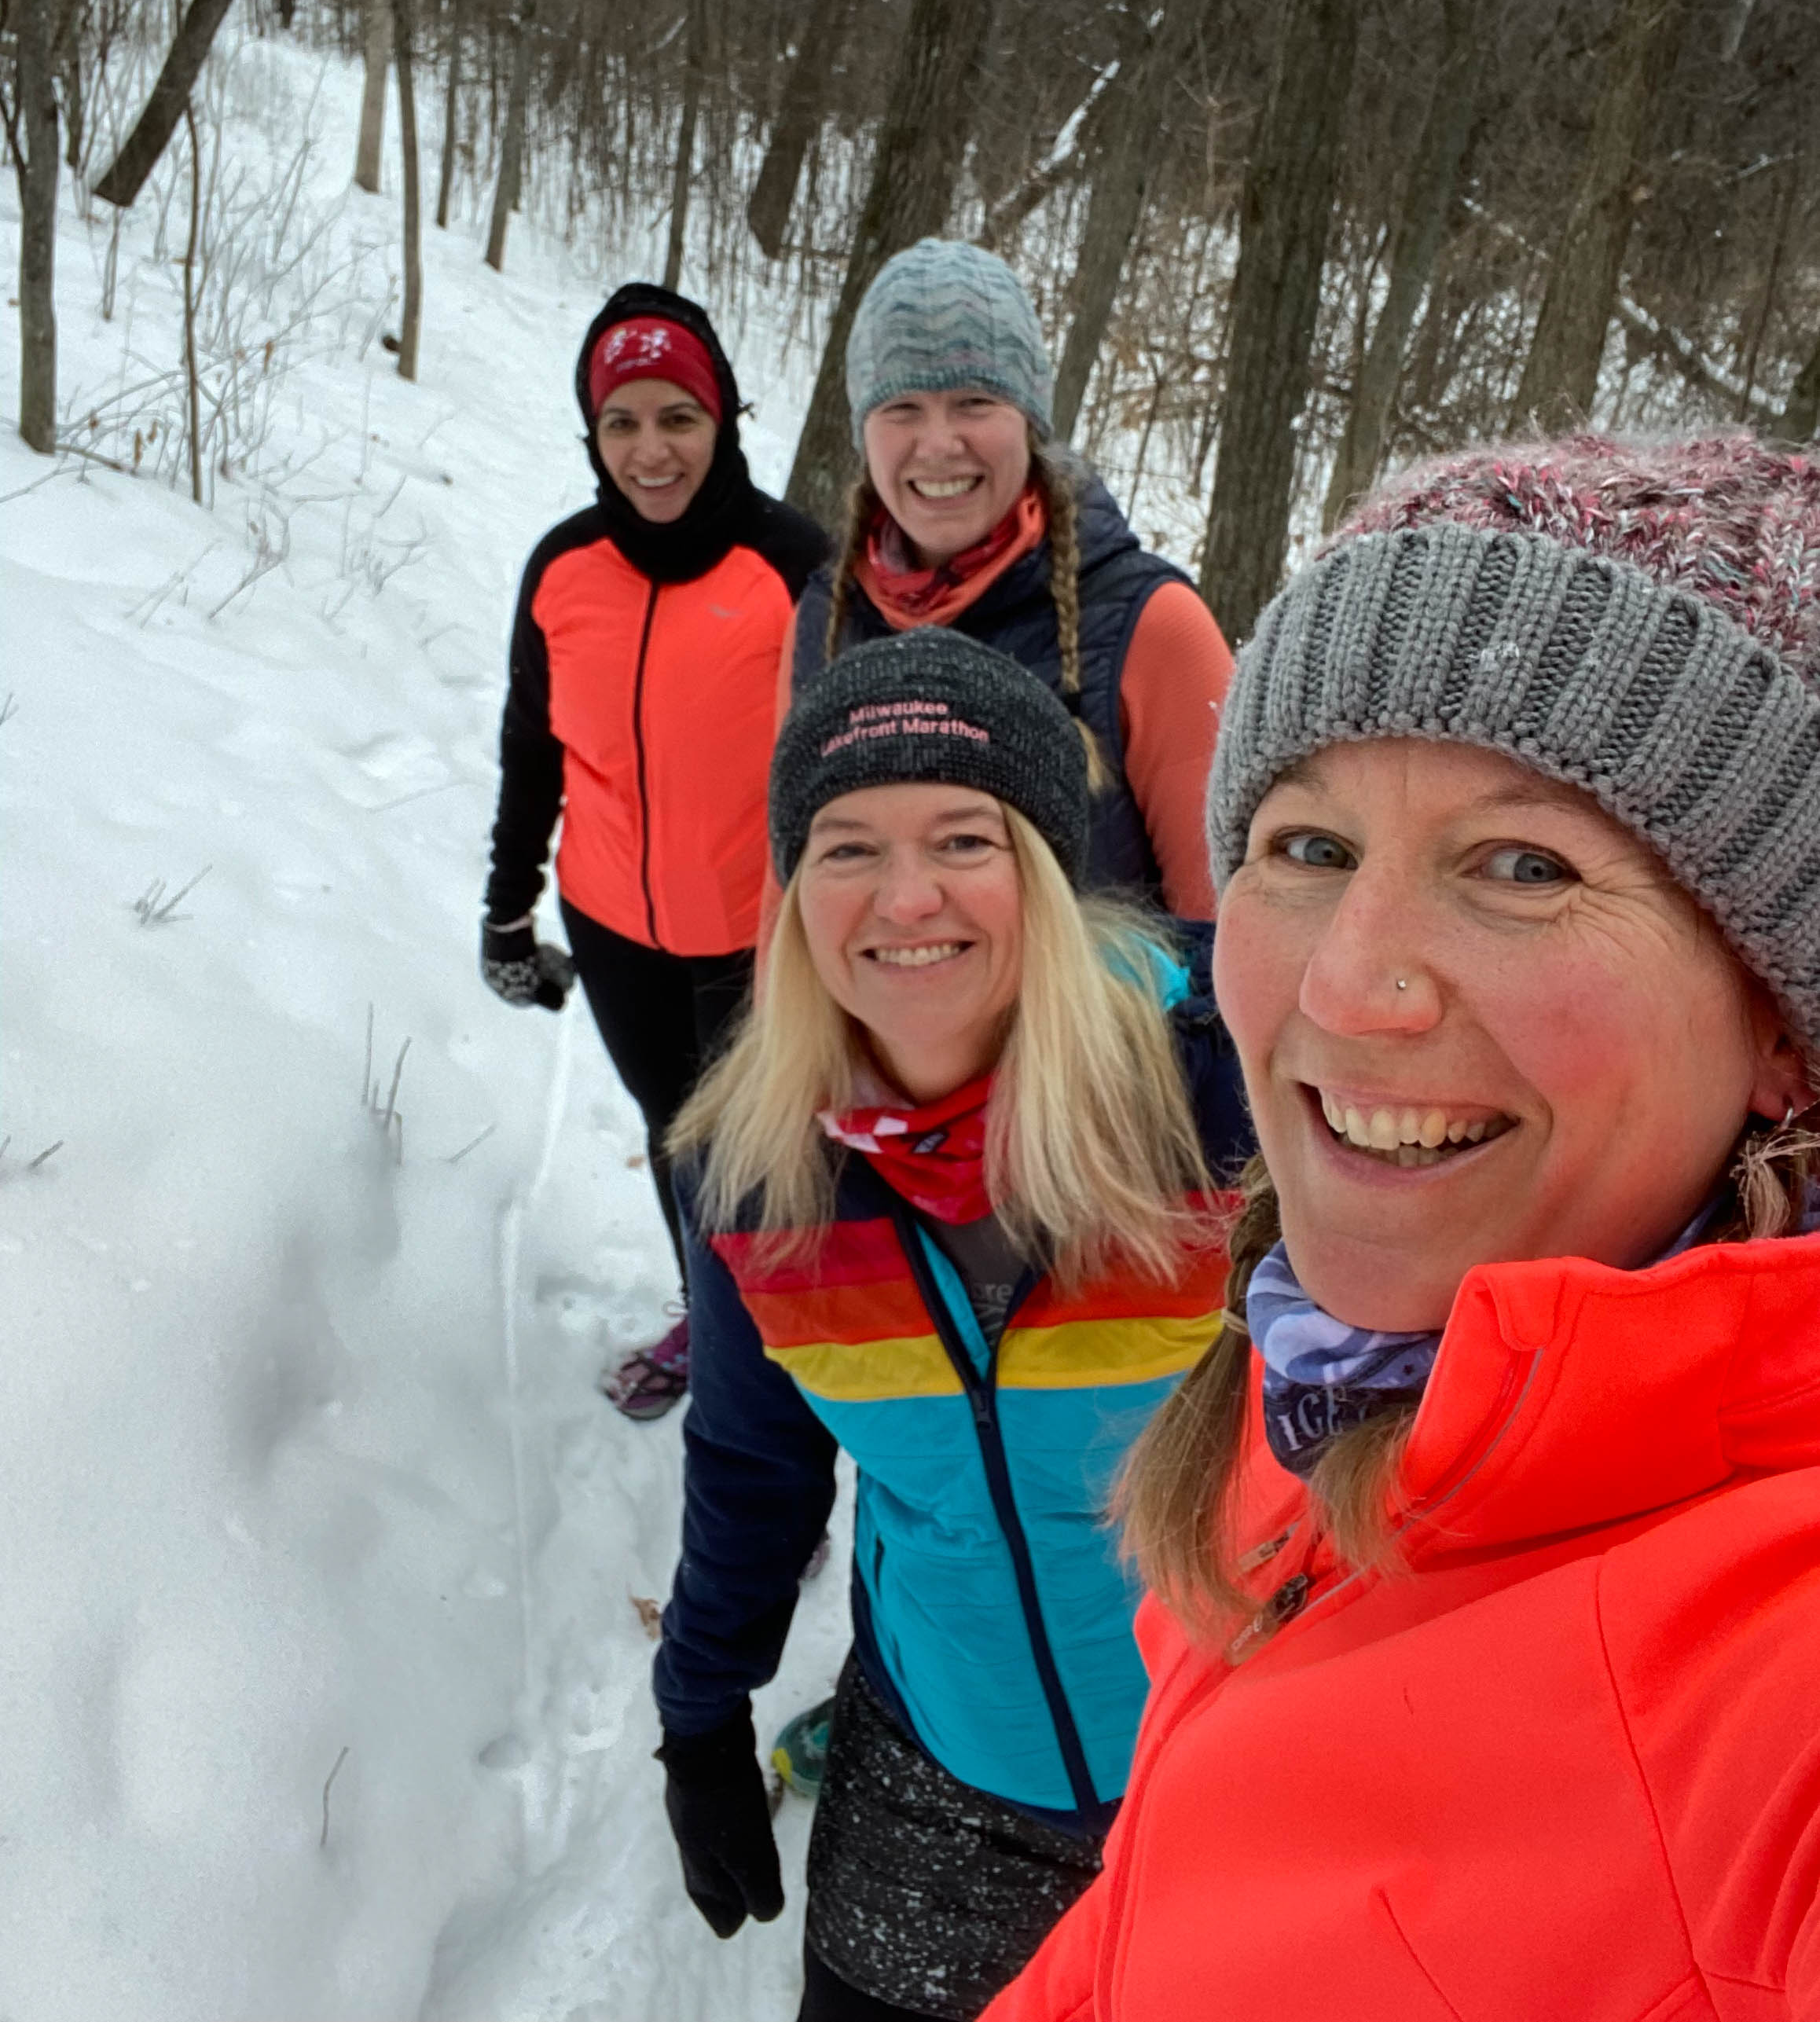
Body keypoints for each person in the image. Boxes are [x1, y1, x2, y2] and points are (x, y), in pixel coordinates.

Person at [986, 432, 1820, 2022]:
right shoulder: (1326, 1364)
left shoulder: (1776, 1675)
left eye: (1524, 864)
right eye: (1308, 846)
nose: (1348, 983)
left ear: (1782, 1021)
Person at [651, 629, 1252, 2020]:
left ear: (1043, 868)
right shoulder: (757, 1172)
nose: (904, 894)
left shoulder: (1221, 1101)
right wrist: (697, 1718)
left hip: (1224, 1762)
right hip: (940, 1782)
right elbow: (751, 1471)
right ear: (796, 891)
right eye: (848, 846)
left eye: (962, 837)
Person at [481, 281, 827, 1418]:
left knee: (763, 1177)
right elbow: (534, 750)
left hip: (760, 944)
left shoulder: (795, 568)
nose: (651, 449)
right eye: (621, 421)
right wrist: (506, 910)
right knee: (679, 1149)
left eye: (677, 416)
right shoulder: (564, 570)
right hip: (613, 929)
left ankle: (773, 1408)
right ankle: (717, 1333)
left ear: (723, 416)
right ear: (592, 433)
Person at [776, 237, 1234, 928]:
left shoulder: (1152, 627)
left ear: (1030, 421)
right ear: (864, 432)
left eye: (975, 401)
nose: (937, 443)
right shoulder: (825, 618)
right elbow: (783, 904)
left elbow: (1229, 939)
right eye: (901, 408)